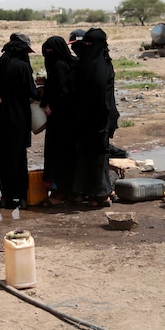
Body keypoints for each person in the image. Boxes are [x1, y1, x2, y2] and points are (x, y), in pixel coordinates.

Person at [0, 33, 39, 209]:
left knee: (3, 158)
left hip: (0, 119)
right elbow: (32, 93)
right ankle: (21, 196)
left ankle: (6, 196)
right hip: (19, 119)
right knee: (19, 158)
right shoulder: (22, 67)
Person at [70, 28, 120, 207]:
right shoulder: (89, 62)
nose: (88, 46)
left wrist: (102, 120)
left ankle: (101, 194)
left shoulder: (100, 66)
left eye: (91, 43)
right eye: (86, 43)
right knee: (91, 155)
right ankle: (100, 191)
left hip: (100, 118)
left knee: (98, 156)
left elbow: (102, 96)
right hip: (88, 118)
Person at [40, 36, 77, 206]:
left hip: (59, 118)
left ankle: (58, 192)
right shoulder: (72, 63)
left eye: (50, 52)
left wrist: (50, 106)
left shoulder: (57, 65)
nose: (48, 55)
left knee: (57, 154)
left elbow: (61, 90)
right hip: (71, 116)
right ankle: (72, 191)